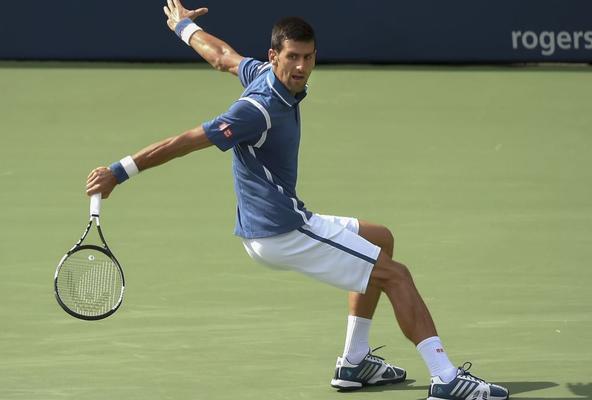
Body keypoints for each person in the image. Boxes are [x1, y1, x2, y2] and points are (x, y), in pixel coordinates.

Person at [85, 2, 510, 399]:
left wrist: (183, 27)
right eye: (292, 57)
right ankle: (446, 378)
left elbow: (221, 56)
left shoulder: (260, 73)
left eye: (308, 57)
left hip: (279, 223)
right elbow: (186, 141)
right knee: (395, 275)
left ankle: (355, 362)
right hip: (280, 232)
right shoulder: (257, 108)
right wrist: (119, 172)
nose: (301, 67)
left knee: (380, 239)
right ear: (275, 57)